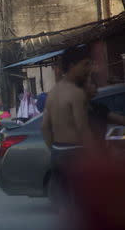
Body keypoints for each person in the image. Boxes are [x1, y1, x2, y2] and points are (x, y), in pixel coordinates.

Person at [42, 46, 93, 207]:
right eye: (85, 64)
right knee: (85, 204)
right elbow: (82, 128)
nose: (88, 69)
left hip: (57, 152)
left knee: (66, 206)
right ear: (72, 66)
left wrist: (54, 150)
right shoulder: (76, 93)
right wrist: (96, 156)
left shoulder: (53, 92)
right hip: (75, 152)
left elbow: (44, 127)